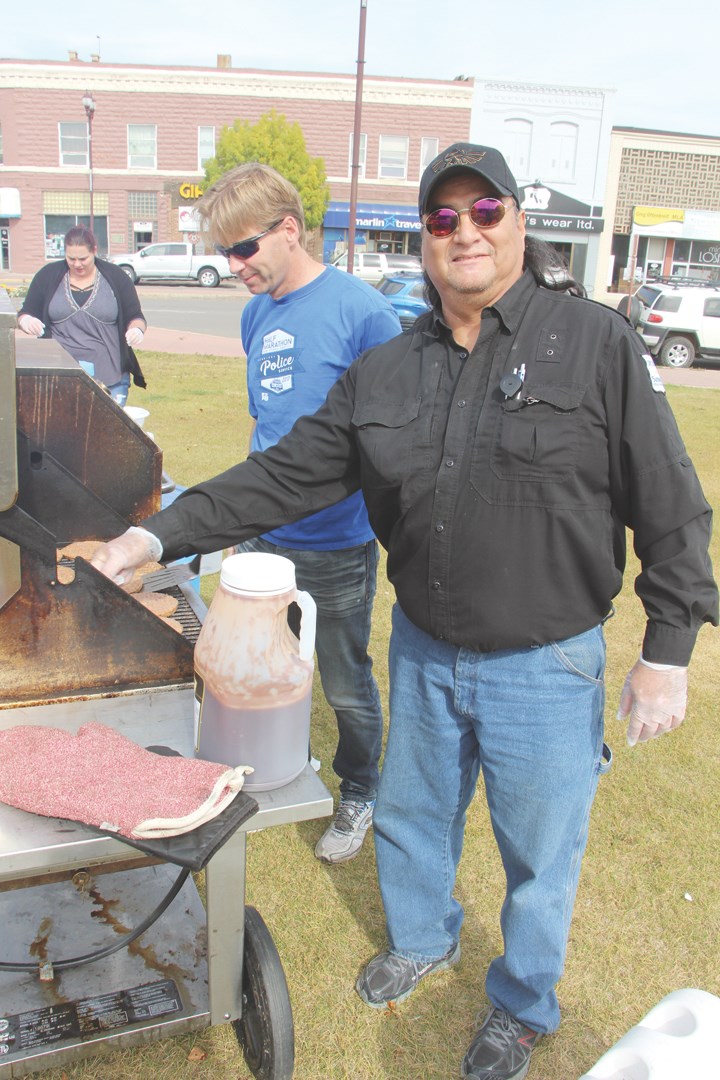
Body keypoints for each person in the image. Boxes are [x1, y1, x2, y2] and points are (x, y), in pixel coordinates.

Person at [91, 143, 718, 1080]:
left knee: (542, 854)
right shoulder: (390, 369)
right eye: (441, 218)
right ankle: (423, 937)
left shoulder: (595, 343)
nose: (464, 231)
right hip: (423, 650)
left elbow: (670, 502)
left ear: (516, 222)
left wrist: (665, 651)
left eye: (484, 212)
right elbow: (284, 473)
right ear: (423, 239)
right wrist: (154, 539)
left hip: (546, 665)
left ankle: (523, 1001)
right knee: (416, 816)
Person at [197, 163, 400, 863]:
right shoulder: (255, 314)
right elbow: (269, 422)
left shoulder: (363, 311)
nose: (233, 266)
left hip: (336, 541)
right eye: (223, 253)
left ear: (289, 229)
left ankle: (360, 788)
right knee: (255, 660)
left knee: (343, 680)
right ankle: (270, 760)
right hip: (260, 537)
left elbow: (389, 432)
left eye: (243, 248)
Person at [17, 226, 146, 405]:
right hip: (59, 375)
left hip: (110, 374)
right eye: (71, 259)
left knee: (106, 430)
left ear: (94, 251)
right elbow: (26, 312)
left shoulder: (116, 277)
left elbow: (136, 316)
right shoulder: (47, 275)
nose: (77, 264)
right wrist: (27, 321)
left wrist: (136, 330)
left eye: (83, 258)